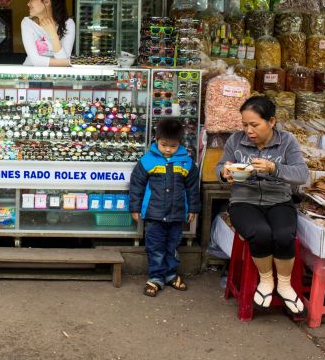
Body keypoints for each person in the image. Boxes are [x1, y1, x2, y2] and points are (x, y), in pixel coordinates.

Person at [216, 96, 309, 317]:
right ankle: (266, 280)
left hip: (278, 199)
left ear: (272, 121)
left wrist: (273, 168)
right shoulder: (235, 141)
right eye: (245, 124)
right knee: (260, 233)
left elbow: (302, 174)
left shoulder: (287, 141)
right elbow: (220, 166)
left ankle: (284, 285)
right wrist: (224, 172)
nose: (248, 130)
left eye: (254, 124)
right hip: (243, 201)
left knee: (284, 234)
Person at [129, 119, 200, 297]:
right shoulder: (147, 160)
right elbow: (136, 185)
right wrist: (135, 208)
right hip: (154, 214)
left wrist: (193, 209)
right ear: (156, 140)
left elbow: (192, 188)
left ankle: (170, 274)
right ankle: (155, 278)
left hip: (177, 214)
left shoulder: (187, 162)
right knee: (155, 246)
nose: (168, 149)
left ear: (180, 144)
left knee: (173, 245)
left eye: (173, 146)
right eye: (164, 144)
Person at [21, 0, 75, 67]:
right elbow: (36, 61)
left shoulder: (68, 23)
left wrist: (53, 33)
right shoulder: (27, 23)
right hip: (31, 76)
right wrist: (69, 62)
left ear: (46, 2)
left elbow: (62, 63)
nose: (28, 4)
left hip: (58, 77)